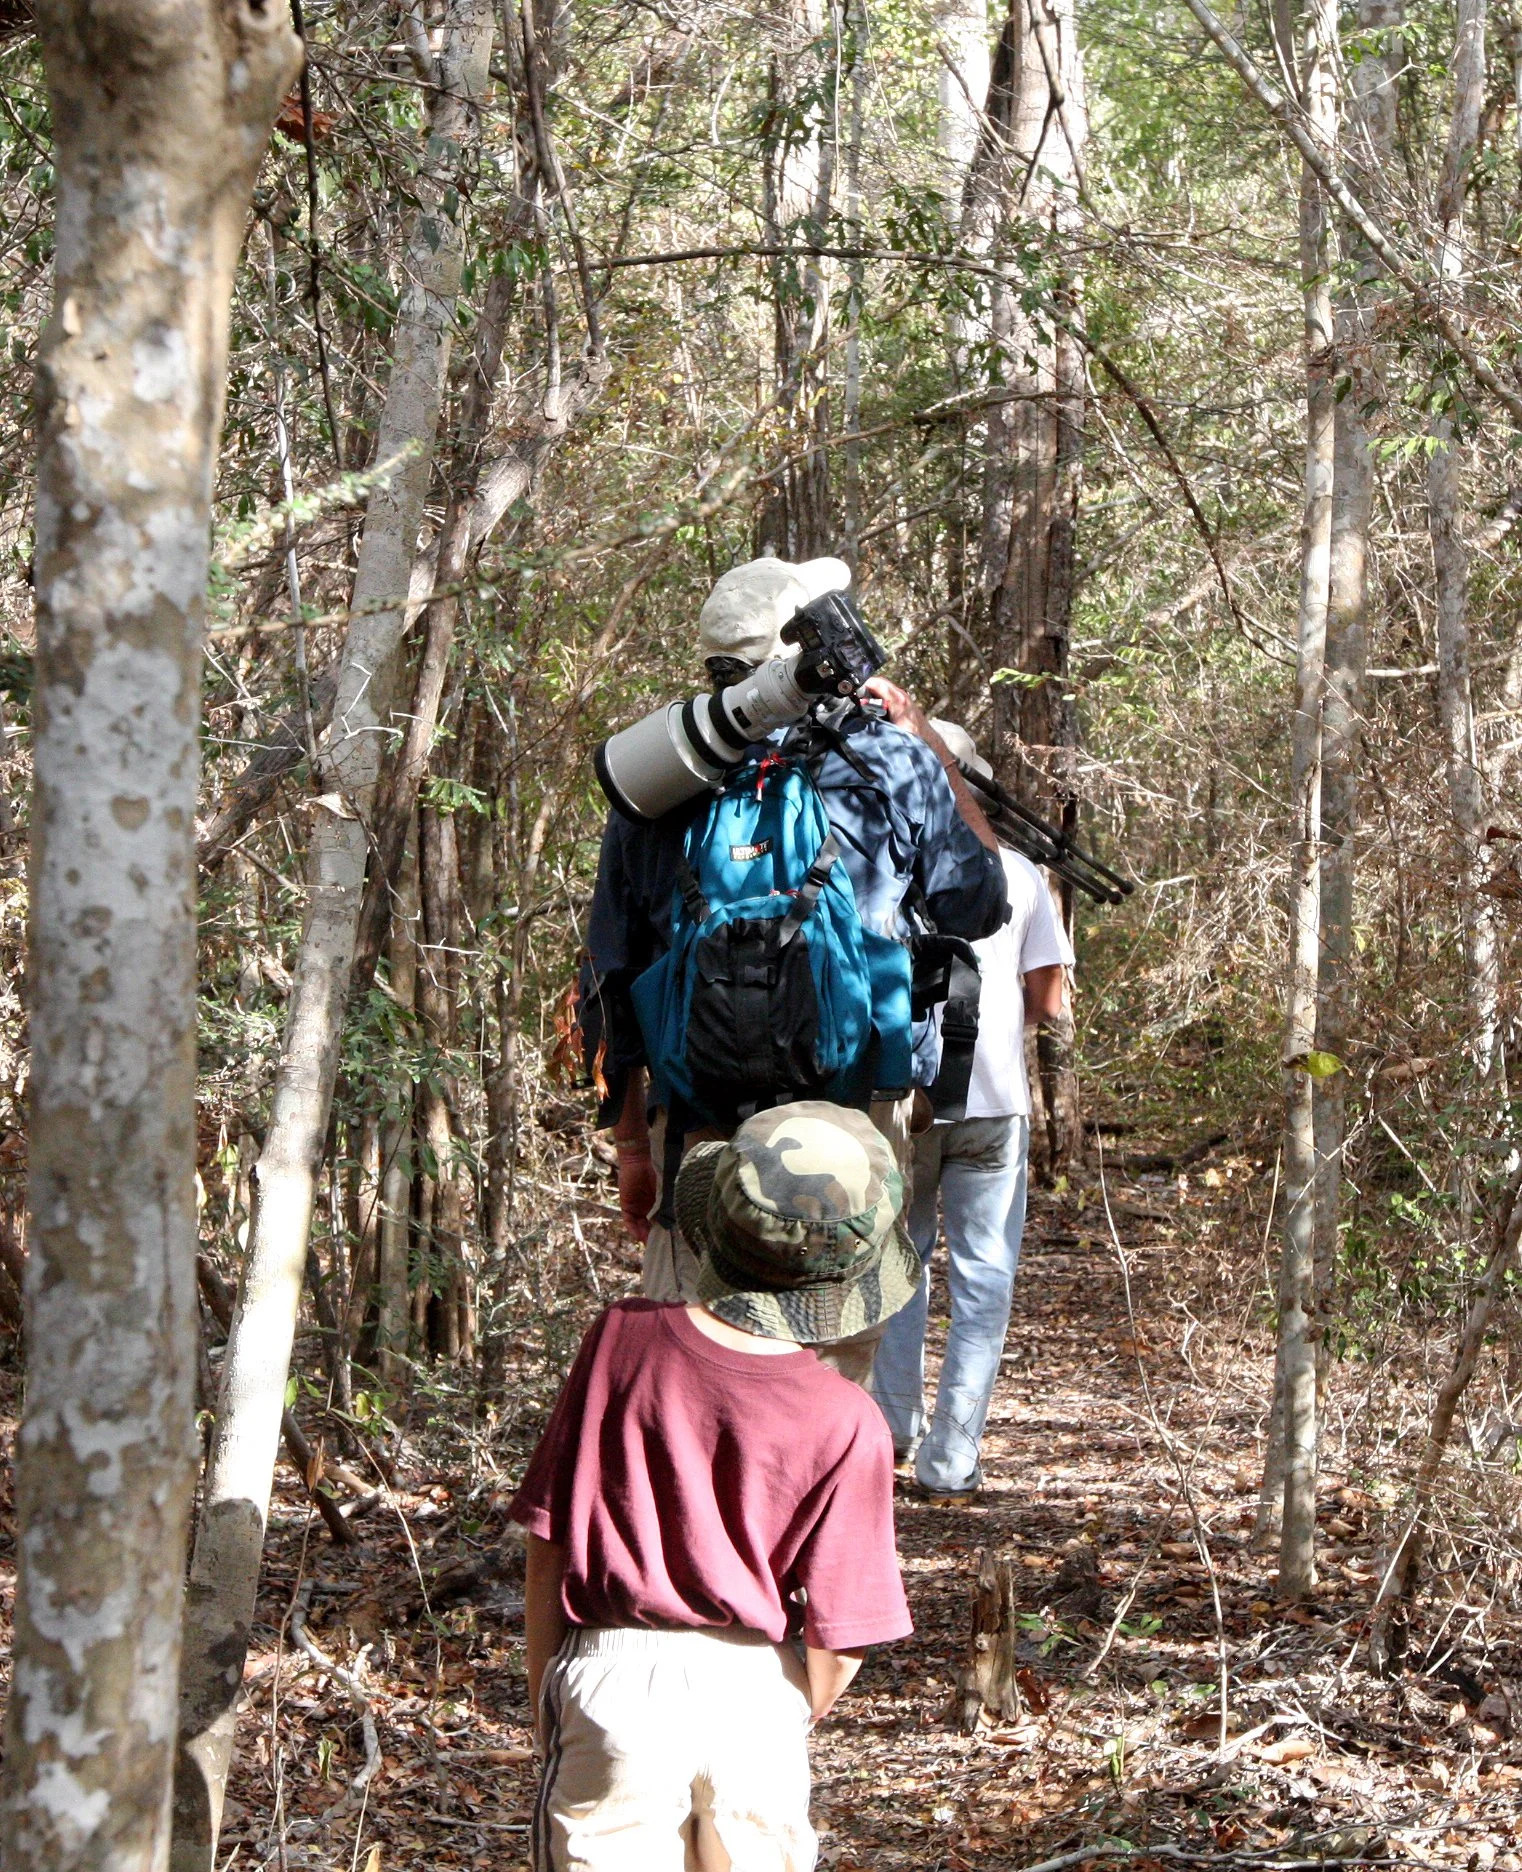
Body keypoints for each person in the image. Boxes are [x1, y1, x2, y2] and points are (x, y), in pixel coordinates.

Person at [581, 554, 1008, 1333]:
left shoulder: (656, 777)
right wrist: (934, 752)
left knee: (700, 1340)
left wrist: (635, 1148)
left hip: (698, 1115)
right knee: (832, 1341)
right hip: (855, 1113)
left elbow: (612, 972)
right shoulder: (892, 761)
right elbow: (979, 905)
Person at [509, 1101, 918, 1870]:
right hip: (757, 1694)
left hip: (613, 1677)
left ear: (717, 1229)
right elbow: (842, 1640)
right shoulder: (852, 1422)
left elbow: (549, 1545)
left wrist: (548, 1697)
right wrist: (778, 1698)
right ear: (848, 1275)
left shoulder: (621, 1344)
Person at [872, 720, 1073, 1505]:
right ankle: (952, 1459)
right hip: (994, 1105)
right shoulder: (1020, 874)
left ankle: (890, 1429)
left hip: (909, 1100)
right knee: (984, 1280)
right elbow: (1050, 1001)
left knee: (899, 1265)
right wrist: (999, 1034)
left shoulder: (888, 865)